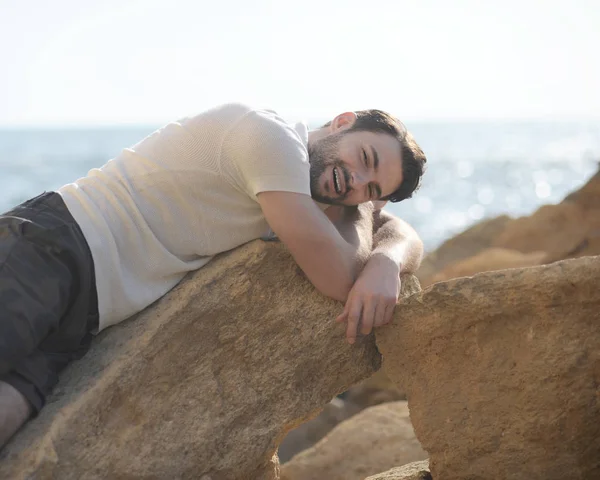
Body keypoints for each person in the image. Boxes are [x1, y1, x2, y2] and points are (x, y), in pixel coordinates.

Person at [0, 103, 426, 448]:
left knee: (10, 413)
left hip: (88, 316)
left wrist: (388, 260)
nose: (355, 181)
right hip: (54, 248)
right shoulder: (271, 139)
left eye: (371, 188)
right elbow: (338, 278)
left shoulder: (309, 189)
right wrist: (366, 209)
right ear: (342, 121)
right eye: (365, 159)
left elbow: (403, 233)